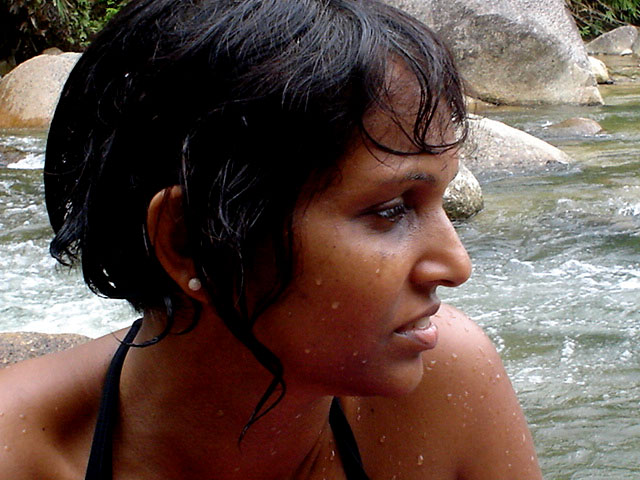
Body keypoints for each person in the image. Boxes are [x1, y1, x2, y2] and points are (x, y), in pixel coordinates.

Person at [0, 1, 543, 478]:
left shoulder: (450, 381)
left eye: (440, 199)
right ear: (193, 242)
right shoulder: (16, 452)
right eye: (390, 209)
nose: (457, 264)